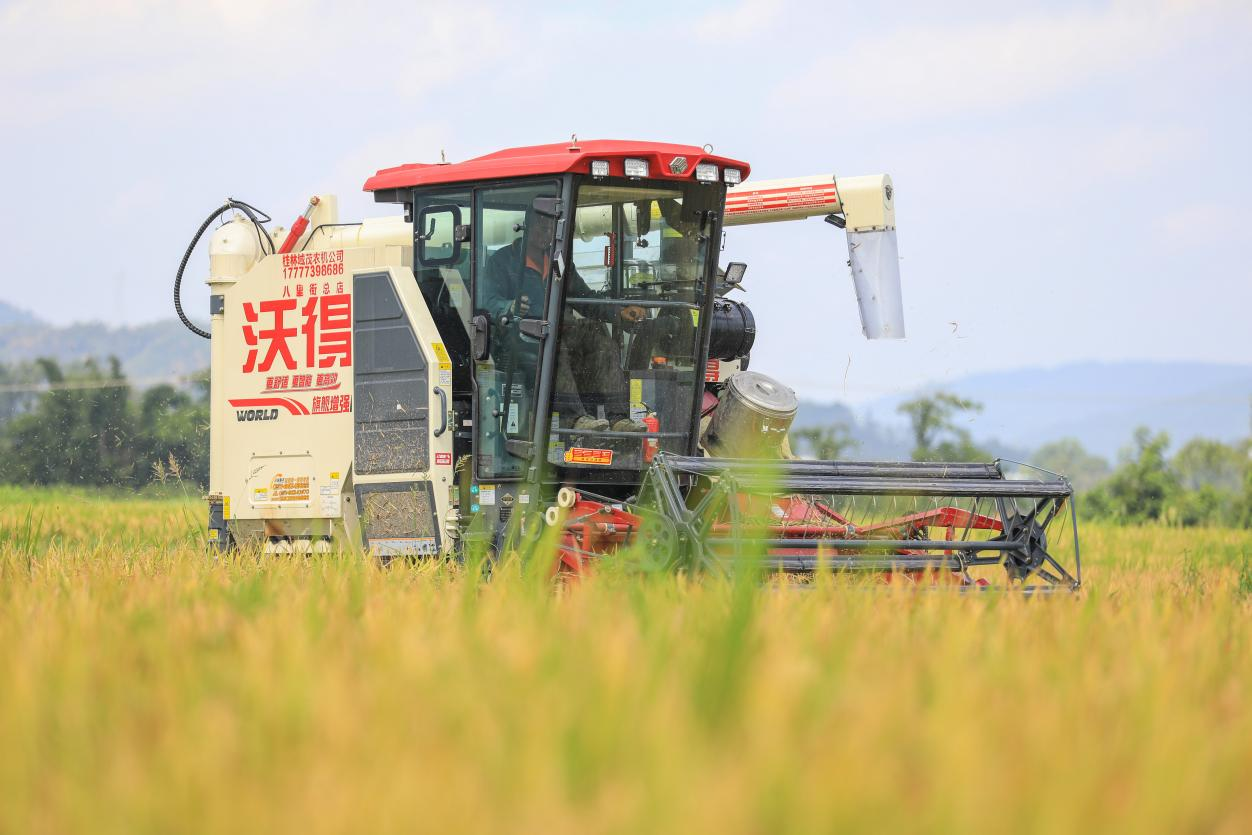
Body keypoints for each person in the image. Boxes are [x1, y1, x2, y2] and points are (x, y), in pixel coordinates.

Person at [482, 236, 646, 433]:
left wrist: (618, 311)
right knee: (554, 346)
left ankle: (618, 418)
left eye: (551, 224)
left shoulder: (558, 261)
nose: (547, 229)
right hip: (525, 338)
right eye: (542, 222)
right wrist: (509, 306)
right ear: (529, 219)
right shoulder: (502, 261)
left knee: (603, 343)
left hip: (564, 331)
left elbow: (584, 299)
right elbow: (487, 301)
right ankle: (575, 417)